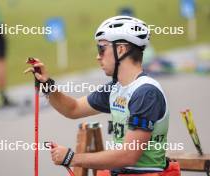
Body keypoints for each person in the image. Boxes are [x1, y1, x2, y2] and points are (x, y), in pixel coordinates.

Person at [25, 16, 180, 176]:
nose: (98, 56)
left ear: (121, 49)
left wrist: (73, 158)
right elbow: (73, 109)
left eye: (102, 48)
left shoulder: (146, 93)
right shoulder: (116, 88)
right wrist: (48, 85)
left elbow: (129, 155)